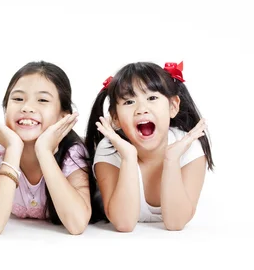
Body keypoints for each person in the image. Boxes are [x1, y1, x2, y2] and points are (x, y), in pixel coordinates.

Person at [84, 61, 214, 231]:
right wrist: (129, 158)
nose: (141, 109)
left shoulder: (189, 147)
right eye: (129, 102)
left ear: (173, 106)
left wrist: (172, 159)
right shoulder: (109, 149)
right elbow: (124, 224)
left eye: (152, 98)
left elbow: (176, 223)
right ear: (115, 118)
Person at [0, 61, 92, 235]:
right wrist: (13, 149)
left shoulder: (73, 154)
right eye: (17, 99)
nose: (27, 107)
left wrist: (44, 152)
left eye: (42, 100)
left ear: (64, 116)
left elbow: (77, 224)